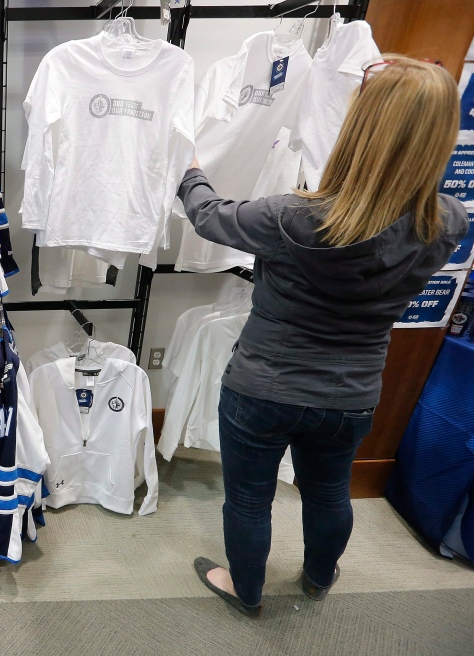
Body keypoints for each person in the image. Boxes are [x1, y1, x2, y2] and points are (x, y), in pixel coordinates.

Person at [178, 56, 466, 617]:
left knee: (248, 497)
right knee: (330, 490)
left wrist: (190, 169)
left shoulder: (296, 216)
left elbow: (209, 215)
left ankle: (247, 590)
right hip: (352, 394)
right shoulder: (447, 222)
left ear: (361, 129)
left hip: (264, 385)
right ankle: (316, 578)